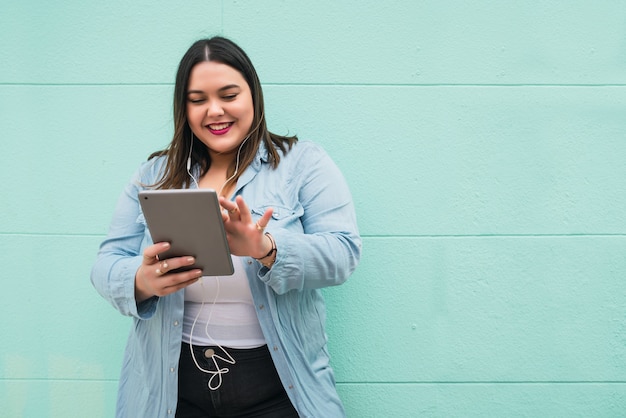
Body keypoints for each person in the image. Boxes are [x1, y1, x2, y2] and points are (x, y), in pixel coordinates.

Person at [91, 36, 361, 418]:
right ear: (183, 108)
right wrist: (141, 281)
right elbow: (106, 263)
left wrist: (265, 248)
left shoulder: (302, 164)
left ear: (253, 95)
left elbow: (344, 254)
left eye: (229, 95)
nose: (214, 111)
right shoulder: (153, 174)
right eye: (198, 99)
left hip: (280, 388)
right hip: (172, 389)